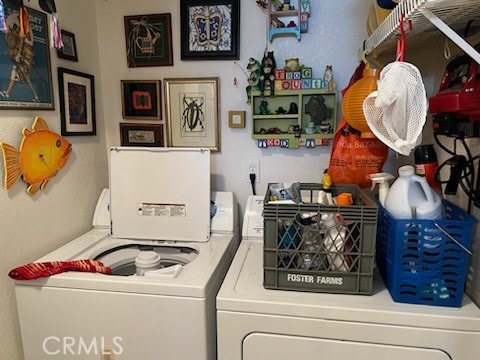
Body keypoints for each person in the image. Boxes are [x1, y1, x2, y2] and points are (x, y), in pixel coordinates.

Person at [0, 12, 40, 102]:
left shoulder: (23, 29)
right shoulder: (19, 28)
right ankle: (7, 92)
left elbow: (21, 40)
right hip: (23, 55)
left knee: (25, 77)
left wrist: (18, 55)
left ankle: (35, 95)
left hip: (26, 55)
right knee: (16, 73)